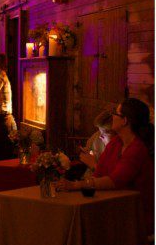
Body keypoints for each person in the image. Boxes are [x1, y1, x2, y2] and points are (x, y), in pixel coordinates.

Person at [56, 98, 154, 235]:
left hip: (134, 216)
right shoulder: (115, 143)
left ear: (125, 121)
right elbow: (99, 173)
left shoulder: (137, 149)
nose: (112, 116)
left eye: (116, 113)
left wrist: (75, 185)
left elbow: (114, 180)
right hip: (111, 206)